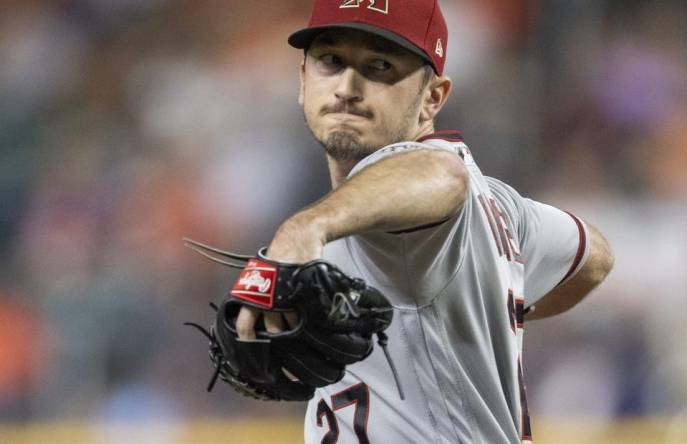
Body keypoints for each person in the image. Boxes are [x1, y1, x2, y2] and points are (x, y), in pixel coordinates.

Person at [234, 1, 614, 442]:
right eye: (331, 61)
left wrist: (302, 229)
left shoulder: (430, 181)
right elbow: (596, 257)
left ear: (432, 99)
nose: (347, 86)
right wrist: (485, 311)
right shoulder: (498, 205)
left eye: (379, 66)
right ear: (302, 80)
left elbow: (437, 174)